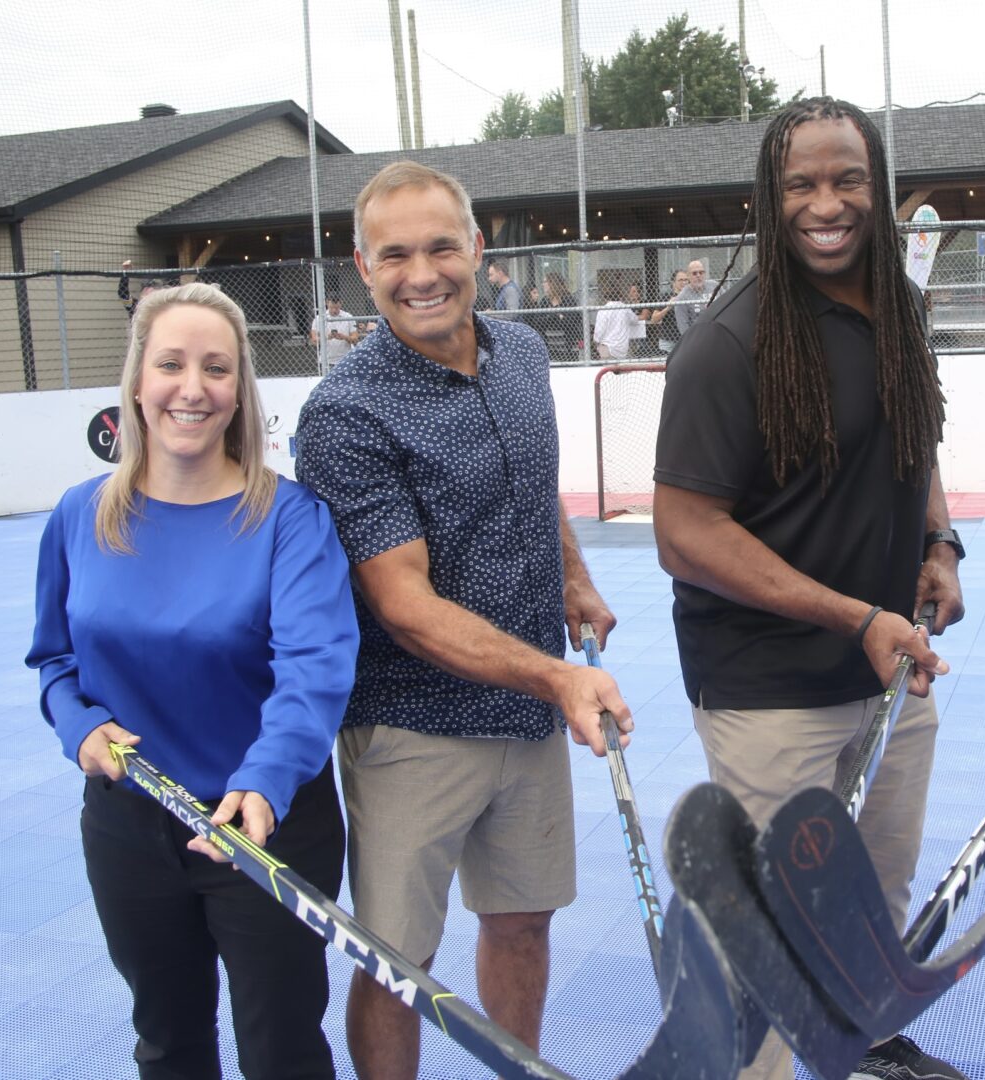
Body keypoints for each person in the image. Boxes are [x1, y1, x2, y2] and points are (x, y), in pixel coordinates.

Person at [652, 97, 968, 1080]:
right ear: (768, 197)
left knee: (872, 905)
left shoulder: (900, 306)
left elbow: (916, 436)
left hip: (885, 673)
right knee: (773, 947)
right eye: (801, 184)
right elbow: (684, 534)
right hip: (770, 693)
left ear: (877, 187)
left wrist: (940, 543)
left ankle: (858, 1046)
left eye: (846, 180)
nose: (825, 203)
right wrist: (853, 615)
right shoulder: (727, 346)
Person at [294, 161, 631, 1079]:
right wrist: (560, 676)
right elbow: (404, 609)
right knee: (398, 963)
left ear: (478, 251)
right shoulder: (343, 414)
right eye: (395, 254)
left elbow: (531, 484)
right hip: (411, 726)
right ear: (362, 268)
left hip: (528, 713)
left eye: (442, 245)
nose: (422, 272)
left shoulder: (521, 353)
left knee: (522, 924)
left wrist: (574, 580)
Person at [26, 283, 359, 1079]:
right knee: (168, 1041)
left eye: (216, 368)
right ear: (138, 381)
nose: (193, 387)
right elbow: (54, 661)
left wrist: (266, 781)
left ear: (238, 390)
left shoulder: (290, 518)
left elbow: (315, 668)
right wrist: (78, 728)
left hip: (262, 825)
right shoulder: (79, 515)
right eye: (171, 364)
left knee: (281, 1051)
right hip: (129, 829)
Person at [592, 278, 640, 360]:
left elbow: (598, 335)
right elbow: (635, 320)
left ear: (606, 296)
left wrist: (595, 342)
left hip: (607, 349)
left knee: (599, 349)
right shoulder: (625, 308)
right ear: (620, 295)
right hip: (622, 350)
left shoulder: (603, 310)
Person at [308, 294, 359, 367]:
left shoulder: (348, 317)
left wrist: (344, 337)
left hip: (345, 359)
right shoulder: (319, 318)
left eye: (337, 308)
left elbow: (355, 339)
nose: (334, 310)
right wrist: (327, 337)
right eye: (331, 307)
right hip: (326, 360)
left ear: (341, 304)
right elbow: (314, 340)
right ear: (327, 303)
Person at [672, 257, 718, 336]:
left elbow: (727, 303)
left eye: (701, 272)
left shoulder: (714, 286)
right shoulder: (682, 297)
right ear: (688, 276)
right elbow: (683, 327)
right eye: (694, 273)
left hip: (718, 332)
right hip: (698, 336)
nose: (698, 275)